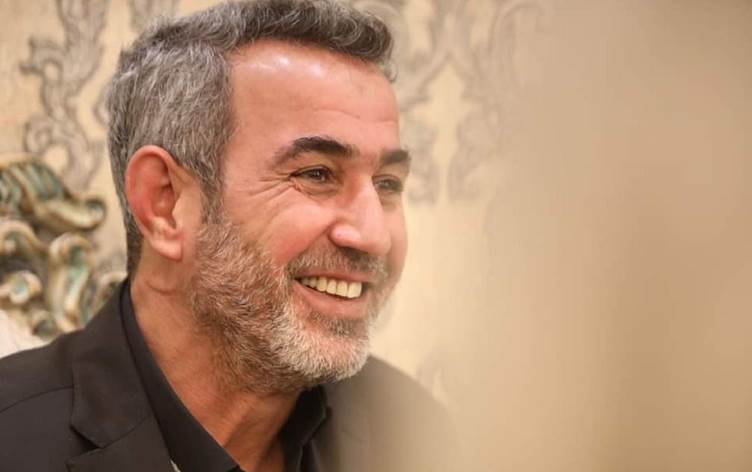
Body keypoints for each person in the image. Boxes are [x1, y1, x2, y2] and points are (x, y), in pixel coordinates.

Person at [0, 1, 454, 471]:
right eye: (317, 174)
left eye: (387, 184)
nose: (374, 236)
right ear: (164, 203)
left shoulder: (413, 433)